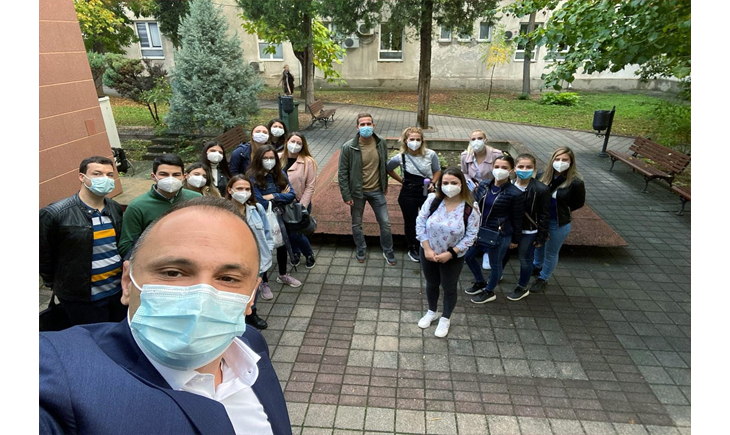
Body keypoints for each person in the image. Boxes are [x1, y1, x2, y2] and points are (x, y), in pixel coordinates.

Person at [39, 197, 292, 435]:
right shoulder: (61, 372)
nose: (201, 298)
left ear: (251, 297)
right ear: (127, 282)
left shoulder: (251, 345)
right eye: (173, 273)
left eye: (228, 278)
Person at [39, 156, 126, 326]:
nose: (105, 179)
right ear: (81, 177)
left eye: (109, 175)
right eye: (97, 174)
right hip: (82, 299)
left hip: (117, 292)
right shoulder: (55, 213)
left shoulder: (114, 208)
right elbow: (43, 254)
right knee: (91, 337)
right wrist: (57, 284)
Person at [415, 167, 479, 338]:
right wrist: (427, 248)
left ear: (461, 184)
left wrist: (451, 253)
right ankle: (432, 311)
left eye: (454, 183)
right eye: (445, 182)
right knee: (431, 283)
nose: (449, 186)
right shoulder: (432, 200)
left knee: (449, 287)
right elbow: (420, 223)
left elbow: (471, 235)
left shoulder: (470, 208)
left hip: (453, 256)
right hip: (429, 252)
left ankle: (445, 317)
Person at [337, 112, 397, 266]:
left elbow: (383, 165)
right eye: (362, 124)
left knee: (385, 223)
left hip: (377, 190)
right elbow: (342, 173)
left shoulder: (381, 142)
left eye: (368, 124)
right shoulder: (348, 147)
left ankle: (388, 250)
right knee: (356, 224)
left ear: (373, 125)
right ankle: (361, 248)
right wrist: (346, 195)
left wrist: (384, 184)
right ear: (357, 127)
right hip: (357, 193)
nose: (366, 127)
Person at [465, 154, 524, 304]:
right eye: (497, 166)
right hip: (480, 231)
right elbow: (475, 206)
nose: (500, 170)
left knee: (495, 264)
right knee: (468, 257)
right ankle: (480, 281)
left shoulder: (515, 193)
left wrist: (515, 239)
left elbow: (517, 218)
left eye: (504, 167)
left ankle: (489, 291)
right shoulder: (484, 185)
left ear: (511, 170)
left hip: (500, 234)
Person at [118, 154, 202, 258]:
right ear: (153, 176)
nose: (170, 179)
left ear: (184, 177)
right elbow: (126, 246)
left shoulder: (197, 199)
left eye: (176, 175)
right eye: (164, 174)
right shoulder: (137, 207)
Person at [530, 146, 586, 293]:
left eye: (565, 160)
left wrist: (563, 210)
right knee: (538, 245)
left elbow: (578, 203)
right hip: (540, 220)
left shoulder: (576, 182)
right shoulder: (542, 175)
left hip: (558, 223)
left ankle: (543, 278)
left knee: (551, 252)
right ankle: (536, 266)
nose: (560, 162)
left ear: (571, 162)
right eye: (558, 159)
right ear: (552, 160)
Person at [247, 145, 302, 290]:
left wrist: (273, 195)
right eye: (265, 158)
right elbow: (260, 201)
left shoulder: (280, 174)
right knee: (263, 247)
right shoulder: (252, 177)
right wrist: (281, 195)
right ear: (259, 159)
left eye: (271, 158)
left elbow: (291, 195)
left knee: (282, 244)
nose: (269, 161)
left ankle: (283, 274)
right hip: (262, 217)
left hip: (280, 216)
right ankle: (263, 281)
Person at [387, 126, 441, 263]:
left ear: (422, 141)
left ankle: (428, 245)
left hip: (426, 191)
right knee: (411, 221)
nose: (415, 142)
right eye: (412, 139)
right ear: (405, 140)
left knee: (429, 220)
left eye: (418, 139)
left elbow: (437, 171)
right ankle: (413, 247)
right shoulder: (401, 157)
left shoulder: (430, 154)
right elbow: (388, 169)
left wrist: (433, 182)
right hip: (408, 192)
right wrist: (402, 181)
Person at [226, 175, 273, 330]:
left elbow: (267, 231)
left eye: (247, 189)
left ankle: (251, 314)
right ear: (230, 190)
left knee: (254, 289)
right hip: (232, 260)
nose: (244, 192)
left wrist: (268, 249)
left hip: (256, 259)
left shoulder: (257, 209)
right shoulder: (222, 211)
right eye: (239, 188)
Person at [505, 153, 550, 301]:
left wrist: (541, 236)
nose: (524, 170)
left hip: (528, 230)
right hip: (509, 229)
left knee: (525, 259)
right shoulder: (507, 185)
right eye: (521, 166)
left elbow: (544, 215)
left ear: (534, 169)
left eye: (528, 167)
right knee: (502, 256)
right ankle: (496, 276)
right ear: (514, 169)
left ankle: (522, 286)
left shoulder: (541, 189)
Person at [460, 129, 503, 270]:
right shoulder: (466, 155)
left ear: (486, 140)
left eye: (479, 138)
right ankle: (468, 247)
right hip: (473, 192)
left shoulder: (496, 155)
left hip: (491, 192)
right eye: (473, 139)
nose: (476, 141)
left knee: (487, 220)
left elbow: (501, 172)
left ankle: (486, 251)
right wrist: (470, 182)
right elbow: (464, 172)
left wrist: (488, 185)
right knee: (471, 218)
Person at [279, 132, 317, 269]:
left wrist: (302, 206)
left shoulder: (308, 162)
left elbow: (310, 186)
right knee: (287, 232)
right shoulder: (277, 158)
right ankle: (295, 252)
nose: (295, 145)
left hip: (299, 203)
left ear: (303, 145)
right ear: (286, 142)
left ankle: (308, 254)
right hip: (281, 204)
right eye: (292, 141)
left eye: (299, 143)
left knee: (296, 232)